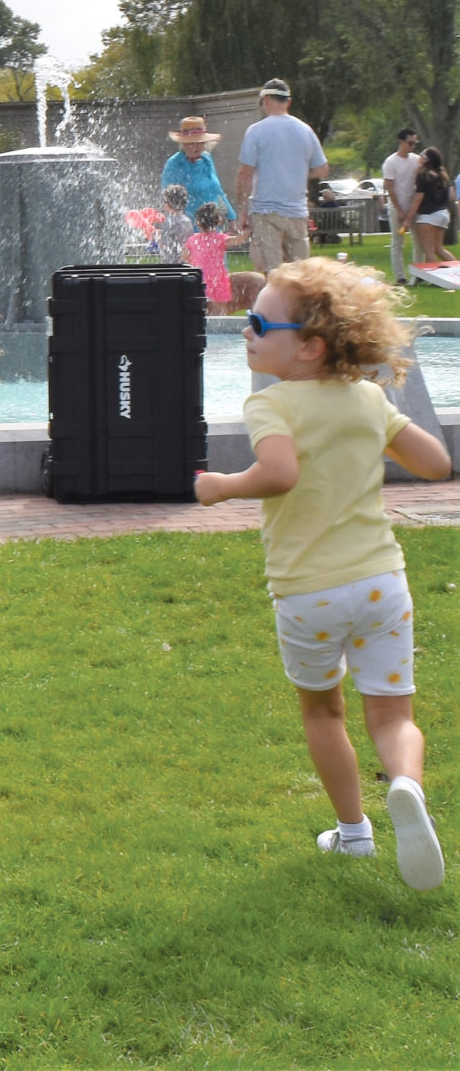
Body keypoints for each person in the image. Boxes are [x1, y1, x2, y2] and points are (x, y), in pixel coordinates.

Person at [194, 259, 448, 892]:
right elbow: (437, 463)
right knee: (392, 717)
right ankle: (407, 787)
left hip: (308, 592)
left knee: (324, 713)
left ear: (308, 347)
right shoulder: (368, 397)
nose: (246, 331)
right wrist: (378, 427)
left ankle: (355, 832)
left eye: (258, 321)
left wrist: (222, 486)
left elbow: (279, 474)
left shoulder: (271, 401)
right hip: (381, 584)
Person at [235, 80, 330, 273]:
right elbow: (322, 169)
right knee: (300, 274)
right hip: (297, 212)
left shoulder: (256, 131)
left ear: (266, 100)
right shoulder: (306, 130)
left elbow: (245, 173)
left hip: (266, 210)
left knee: (272, 272)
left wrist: (242, 211)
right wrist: (301, 174)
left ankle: (271, 304)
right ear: (289, 102)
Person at [159, 116, 234, 232]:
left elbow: (218, 191)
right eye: (191, 143)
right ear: (183, 143)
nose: (196, 146)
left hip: (211, 228)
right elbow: (167, 199)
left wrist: (232, 218)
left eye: (199, 142)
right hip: (186, 229)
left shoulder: (207, 160)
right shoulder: (174, 164)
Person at [382, 127, 423, 285]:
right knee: (397, 242)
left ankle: (418, 275)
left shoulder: (415, 160)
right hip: (396, 207)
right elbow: (390, 188)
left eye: (415, 143)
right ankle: (400, 277)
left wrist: (412, 210)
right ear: (402, 142)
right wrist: (399, 210)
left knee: (419, 242)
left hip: (413, 206)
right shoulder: (391, 162)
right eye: (410, 143)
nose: (413, 146)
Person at [184, 204, 236, 313]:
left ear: (198, 223)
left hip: (199, 280)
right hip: (219, 280)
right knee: (220, 313)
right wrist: (248, 232)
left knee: (198, 313)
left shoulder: (193, 240)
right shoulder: (221, 239)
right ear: (219, 221)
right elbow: (237, 240)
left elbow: (184, 258)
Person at [412, 146, 451, 269]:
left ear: (428, 159)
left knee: (428, 250)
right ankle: (456, 272)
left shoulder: (423, 175)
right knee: (439, 248)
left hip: (428, 215)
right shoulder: (442, 175)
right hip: (443, 213)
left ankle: (436, 277)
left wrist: (408, 219)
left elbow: (418, 198)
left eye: (423, 154)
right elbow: (452, 195)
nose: (420, 156)